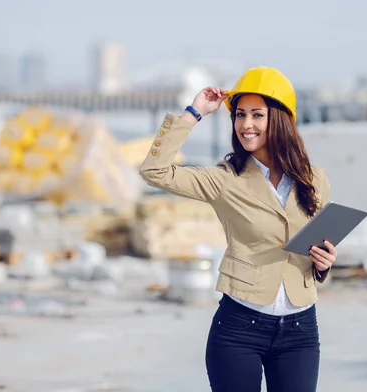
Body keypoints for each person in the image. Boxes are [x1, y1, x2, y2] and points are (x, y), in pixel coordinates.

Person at [139, 66, 337, 392]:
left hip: (301, 330)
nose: (246, 125)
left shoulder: (315, 179)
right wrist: (194, 112)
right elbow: (154, 171)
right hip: (240, 328)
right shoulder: (224, 179)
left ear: (281, 120)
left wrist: (324, 262)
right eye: (240, 115)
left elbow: (316, 249)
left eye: (257, 115)